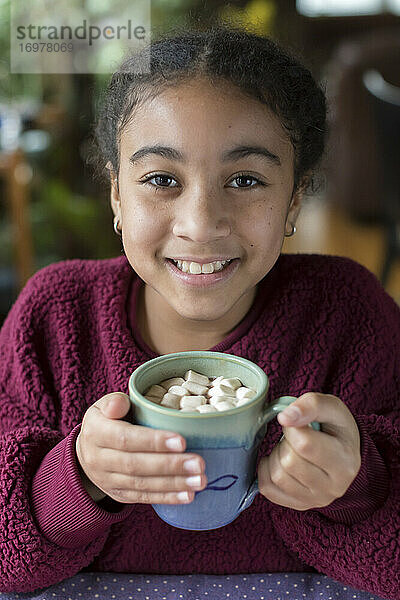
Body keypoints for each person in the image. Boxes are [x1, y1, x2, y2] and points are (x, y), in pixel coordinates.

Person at [0, 23, 399, 599]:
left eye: (245, 180)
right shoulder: (55, 317)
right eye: (161, 179)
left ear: (294, 197)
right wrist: (78, 481)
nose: (199, 223)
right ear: (116, 194)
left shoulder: (350, 315)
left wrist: (355, 483)